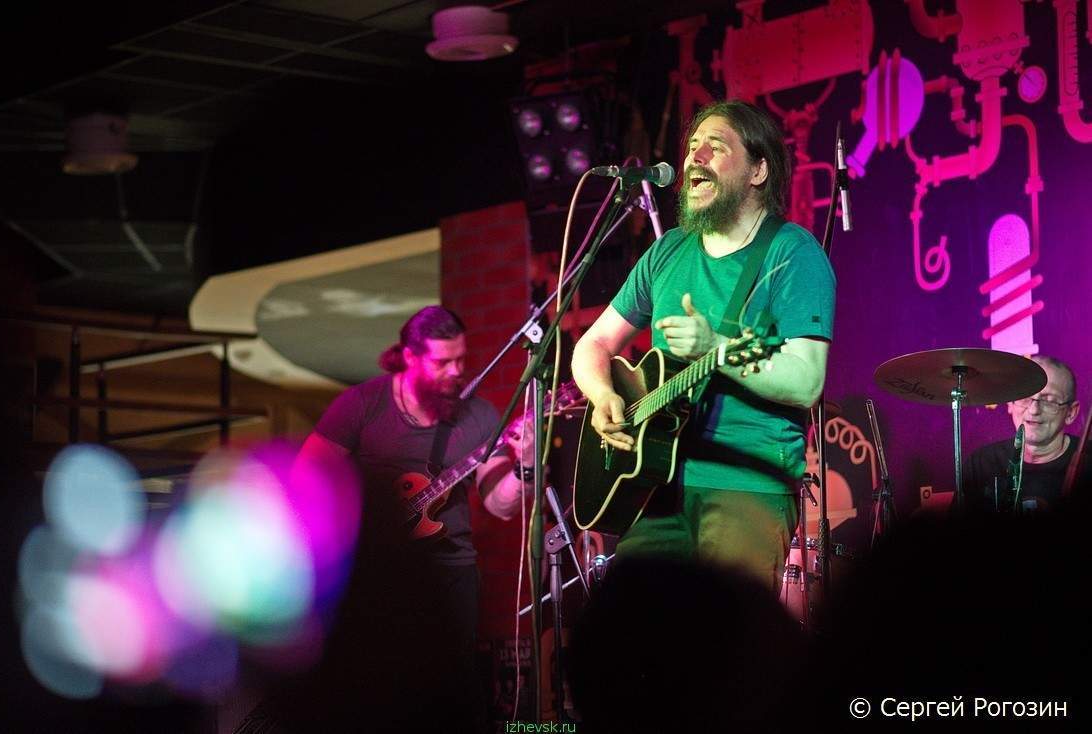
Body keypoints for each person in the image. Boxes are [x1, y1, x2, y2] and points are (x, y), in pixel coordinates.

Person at [570, 99, 835, 591]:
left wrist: (718, 348)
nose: (697, 156)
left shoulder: (792, 254)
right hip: (656, 488)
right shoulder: (668, 250)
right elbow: (594, 343)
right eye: (693, 146)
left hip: (746, 486)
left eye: (717, 146)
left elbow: (807, 382)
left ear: (758, 171)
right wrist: (603, 395)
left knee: (730, 635)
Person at [295, 305, 531, 731]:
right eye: (443, 362)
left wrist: (525, 466)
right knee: (374, 691)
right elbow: (306, 479)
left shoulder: (479, 416)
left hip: (450, 571)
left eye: (461, 360)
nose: (456, 372)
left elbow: (500, 504)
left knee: (454, 693)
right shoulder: (362, 404)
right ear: (409, 357)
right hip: (373, 571)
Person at [965, 354, 1085, 513]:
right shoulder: (981, 464)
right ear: (1010, 403)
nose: (1034, 410)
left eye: (1049, 400)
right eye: (1025, 397)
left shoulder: (1087, 464)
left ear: (1071, 412)